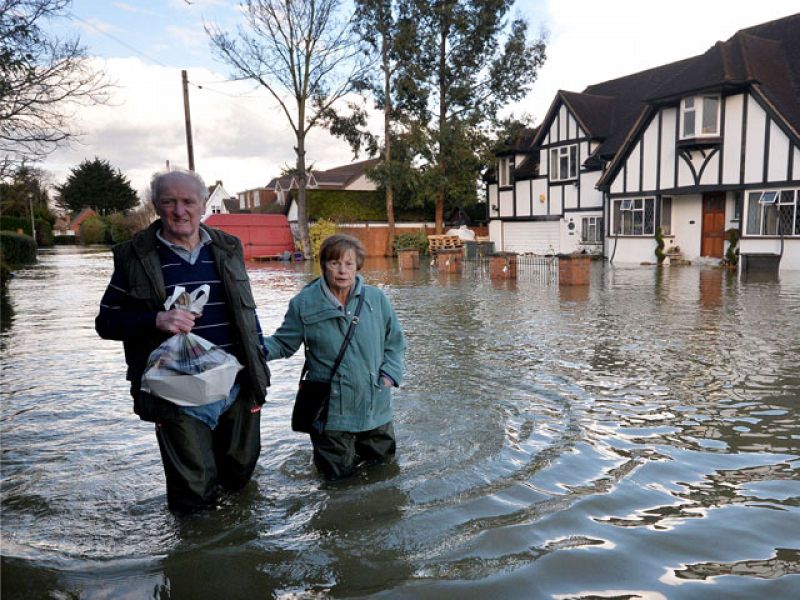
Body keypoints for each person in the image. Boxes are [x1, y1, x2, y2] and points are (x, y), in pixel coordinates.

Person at [95, 168, 270, 512]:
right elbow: (107, 322)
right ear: (157, 206)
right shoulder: (134, 257)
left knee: (240, 481)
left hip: (236, 387)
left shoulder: (227, 248)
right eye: (169, 202)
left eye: (188, 201)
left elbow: (247, 314)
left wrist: (258, 372)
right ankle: (196, 557)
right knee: (193, 495)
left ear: (203, 204)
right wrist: (155, 320)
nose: (179, 211)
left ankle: (240, 550)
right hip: (175, 395)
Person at [264, 234, 405, 480]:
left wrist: (389, 376)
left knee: (384, 475)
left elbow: (395, 342)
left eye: (349, 264)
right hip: (331, 415)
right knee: (337, 484)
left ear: (357, 266)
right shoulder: (303, 303)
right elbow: (283, 344)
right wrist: (247, 347)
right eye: (334, 263)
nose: (342, 271)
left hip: (375, 406)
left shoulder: (376, 299)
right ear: (323, 265)